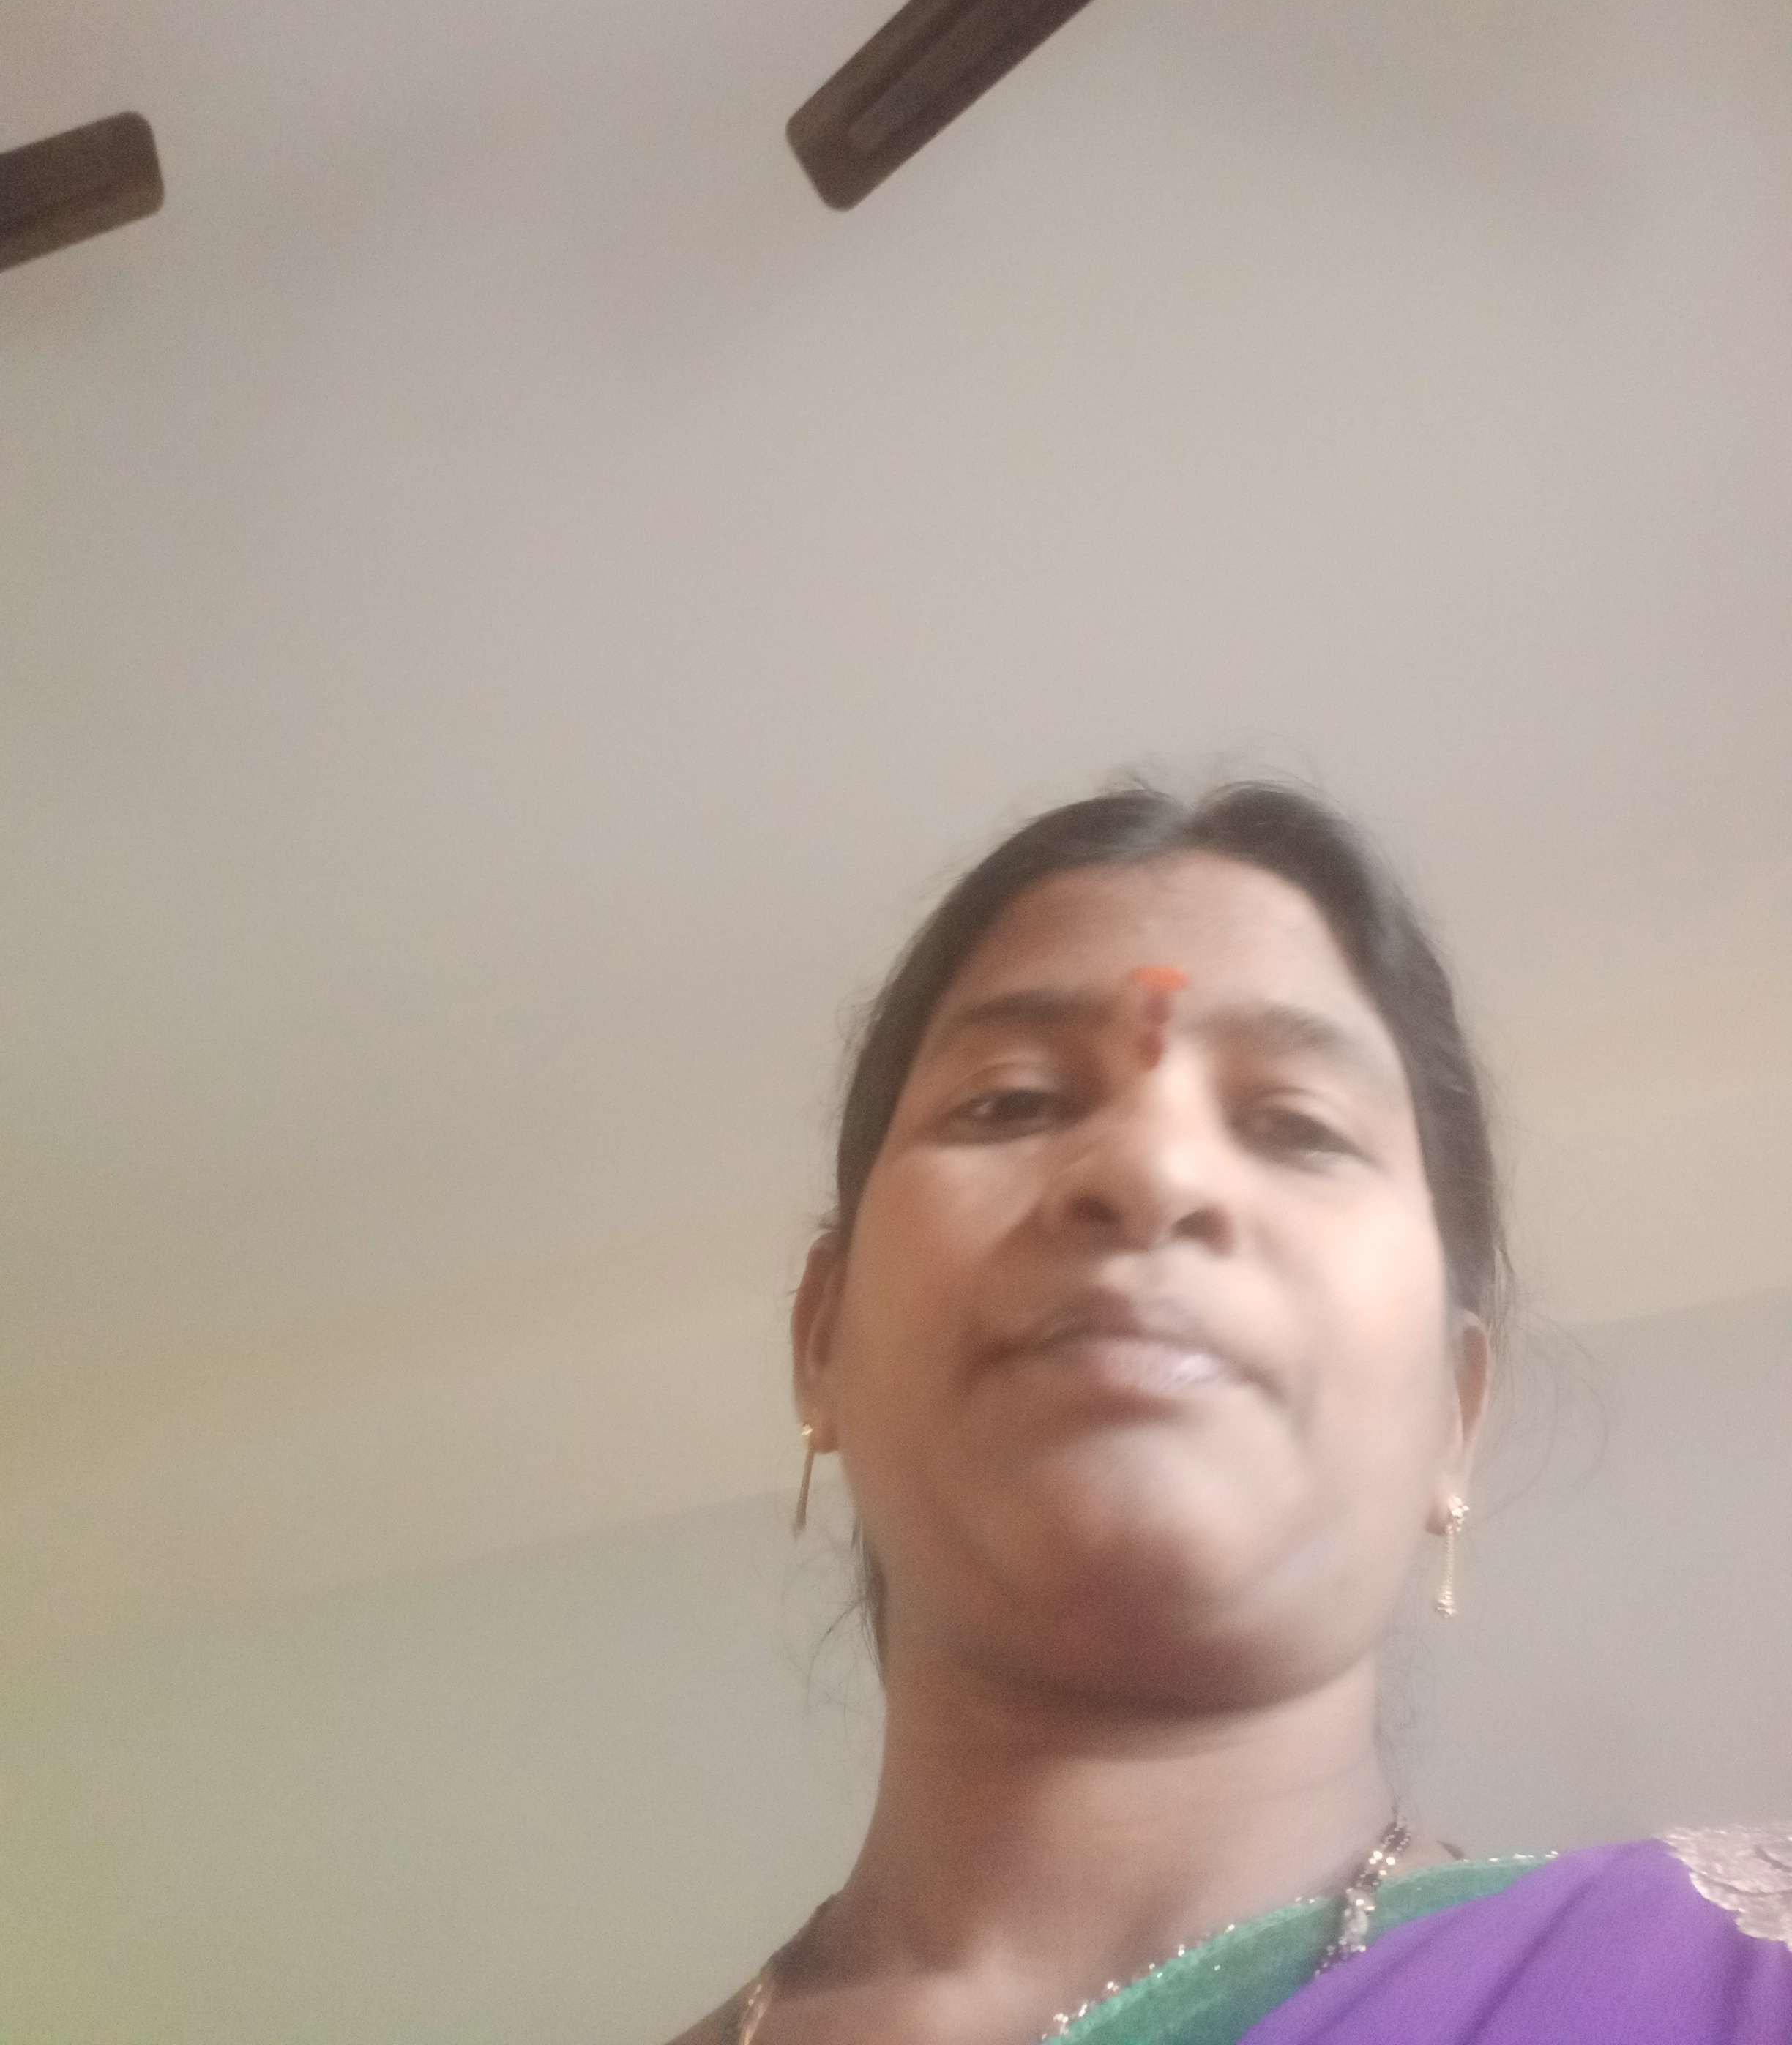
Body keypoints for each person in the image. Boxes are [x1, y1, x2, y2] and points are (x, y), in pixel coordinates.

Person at [667, 783, 1791, 2045]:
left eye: (1298, 1127)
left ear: (1454, 1413)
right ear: (821, 1337)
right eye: (1013, 1102)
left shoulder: (1738, 1985)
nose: (1151, 1171)